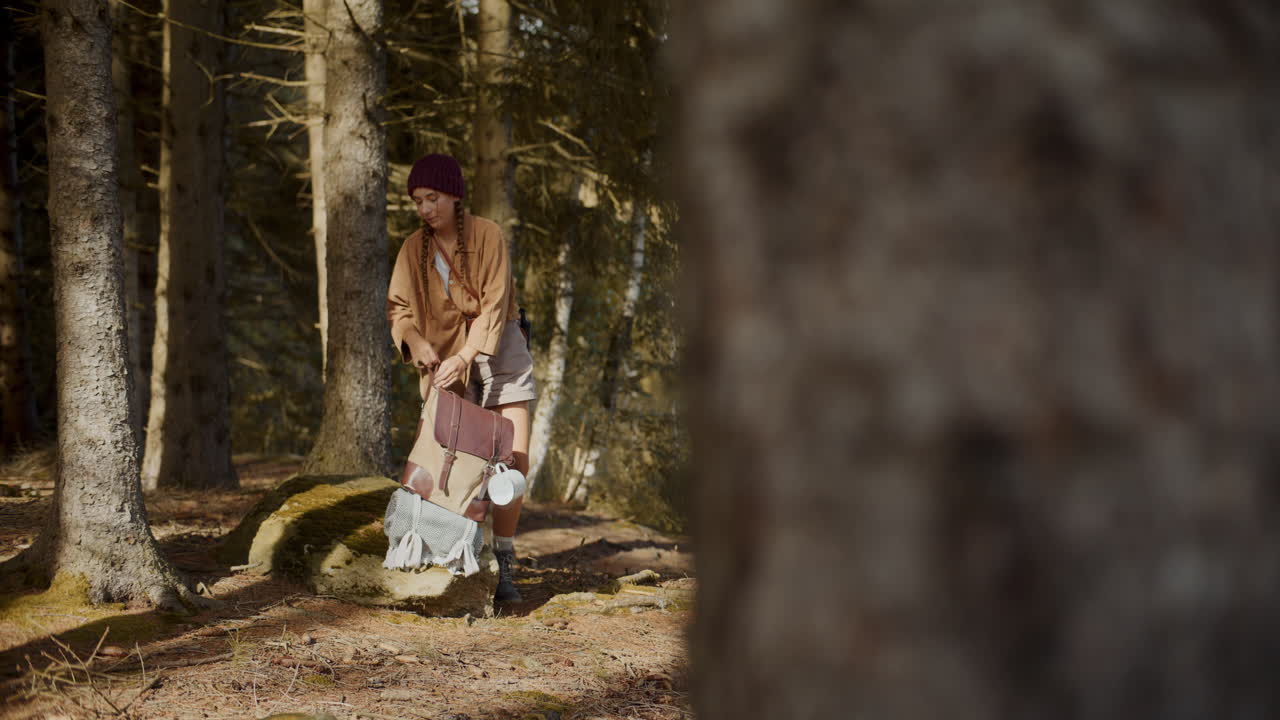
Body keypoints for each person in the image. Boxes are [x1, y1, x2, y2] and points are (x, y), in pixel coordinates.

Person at [386, 153, 536, 603]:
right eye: (418, 200)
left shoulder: (489, 235)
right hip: (445, 357)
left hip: (501, 348)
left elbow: (495, 302)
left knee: (514, 460)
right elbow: (399, 308)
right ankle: (447, 550)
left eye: (433, 197)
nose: (426, 208)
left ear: (454, 195)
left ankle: (505, 562)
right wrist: (418, 342)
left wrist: (469, 353)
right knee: (444, 455)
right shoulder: (414, 248)